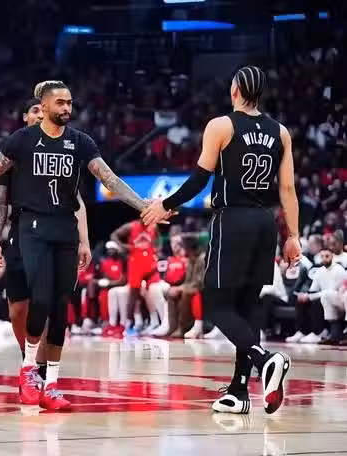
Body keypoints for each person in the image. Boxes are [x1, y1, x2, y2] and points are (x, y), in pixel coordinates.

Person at [0, 80, 149, 410]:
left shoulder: (80, 142)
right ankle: (29, 369)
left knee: (59, 307)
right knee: (38, 298)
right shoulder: (22, 140)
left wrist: (142, 205)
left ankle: (51, 383)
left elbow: (109, 179)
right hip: (32, 226)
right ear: (45, 105)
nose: (67, 108)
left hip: (65, 227)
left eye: (70, 103)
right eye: (61, 103)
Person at [142, 66, 301, 415]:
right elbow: (288, 189)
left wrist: (165, 205)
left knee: (216, 306)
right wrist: (293, 235)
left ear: (235, 91)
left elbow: (200, 178)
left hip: (232, 220)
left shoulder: (221, 125)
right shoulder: (281, 132)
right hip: (265, 222)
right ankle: (238, 391)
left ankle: (265, 359)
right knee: (246, 307)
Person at [0, 94, 91, 384]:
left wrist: (84, 240)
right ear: (26, 117)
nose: (38, 114)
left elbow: (77, 202)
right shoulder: (16, 148)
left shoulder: (64, 149)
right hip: (21, 233)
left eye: (41, 109)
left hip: (56, 231)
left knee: (46, 302)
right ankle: (29, 359)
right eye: (33, 110)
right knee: (18, 308)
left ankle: (40, 368)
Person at [110, 220, 159, 331]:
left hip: (150, 261)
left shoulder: (154, 226)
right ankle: (129, 322)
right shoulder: (131, 227)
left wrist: (157, 248)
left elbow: (158, 239)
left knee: (151, 290)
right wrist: (124, 246)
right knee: (134, 293)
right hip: (136, 262)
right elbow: (113, 235)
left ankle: (154, 321)